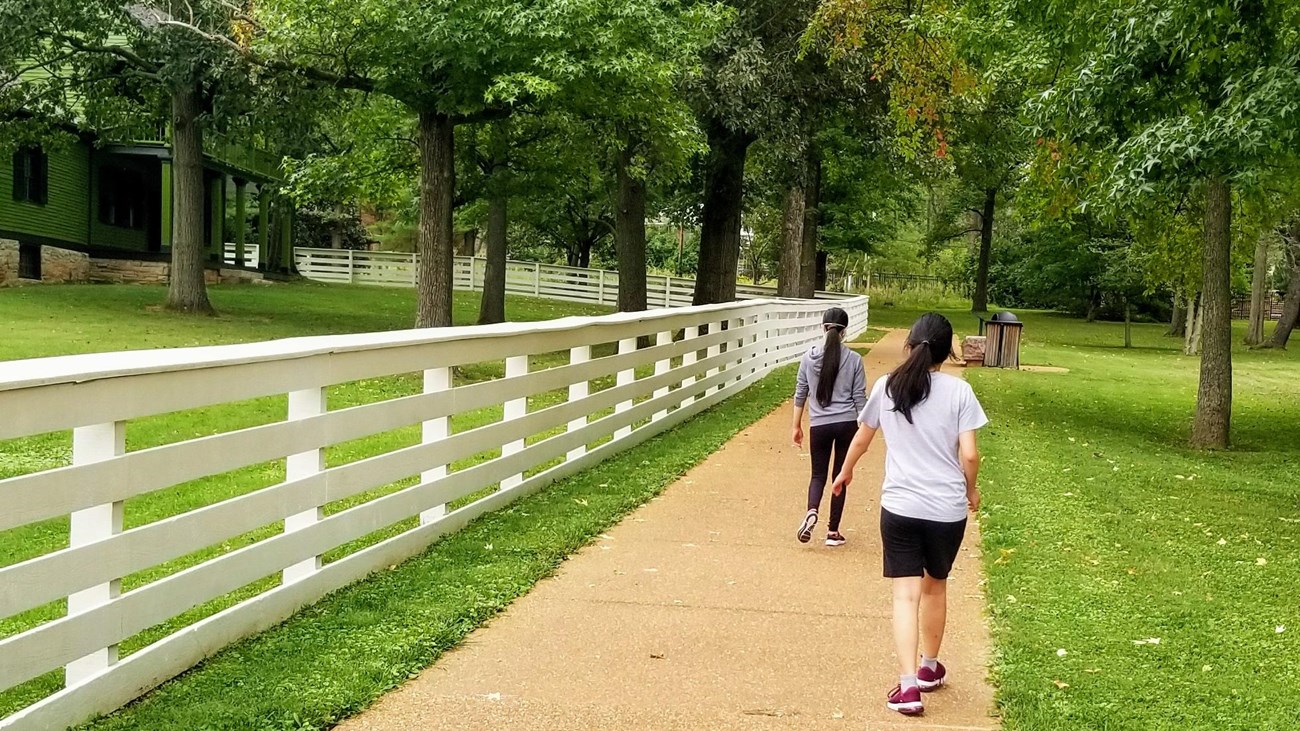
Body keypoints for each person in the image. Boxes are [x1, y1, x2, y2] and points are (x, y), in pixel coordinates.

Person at [830, 313, 987, 716]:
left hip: (900, 506)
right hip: (946, 509)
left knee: (905, 595)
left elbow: (862, 438)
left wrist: (845, 472)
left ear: (910, 344)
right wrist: (970, 489)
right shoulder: (959, 392)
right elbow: (970, 454)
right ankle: (929, 668)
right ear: (947, 352)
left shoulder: (887, 386)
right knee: (936, 587)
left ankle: (907, 687)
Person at [791, 306, 867, 547]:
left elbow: (801, 392)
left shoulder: (808, 357)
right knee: (840, 476)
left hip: (819, 425)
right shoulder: (854, 360)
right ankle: (833, 532)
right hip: (846, 424)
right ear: (845, 331)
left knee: (818, 475)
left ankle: (812, 510)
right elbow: (859, 398)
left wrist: (796, 426)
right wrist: (865, 428)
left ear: (823, 328)